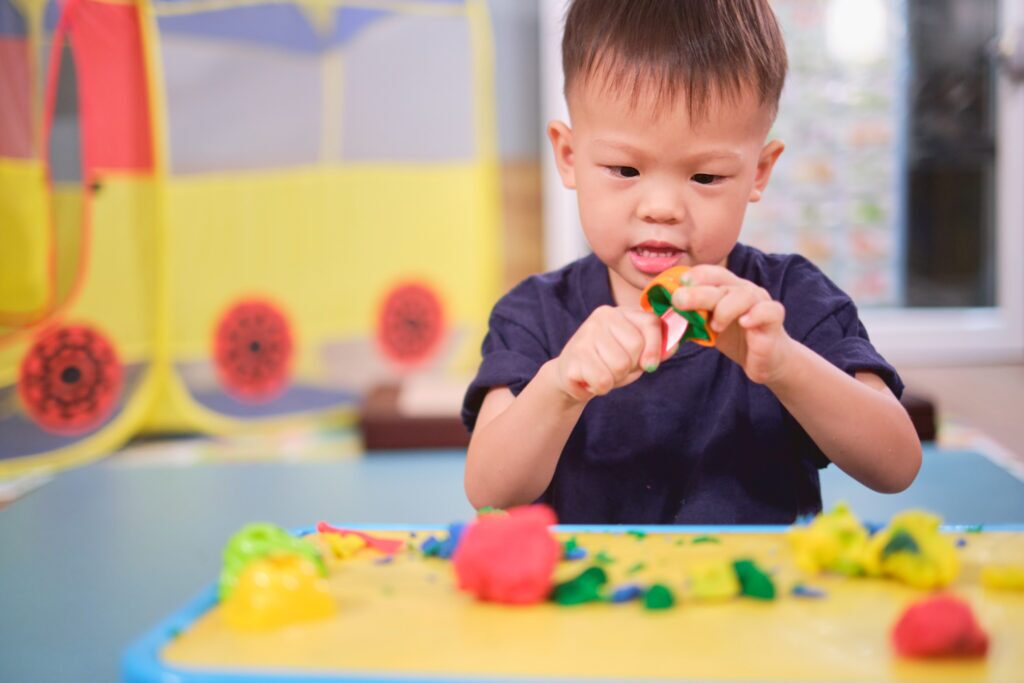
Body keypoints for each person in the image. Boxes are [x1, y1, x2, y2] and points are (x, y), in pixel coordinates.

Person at [461, 0, 922, 524]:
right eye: (624, 169)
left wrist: (785, 365)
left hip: (757, 600)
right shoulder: (534, 314)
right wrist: (560, 385)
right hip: (591, 603)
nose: (661, 209)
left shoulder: (790, 300)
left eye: (705, 178)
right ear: (569, 157)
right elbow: (489, 491)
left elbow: (897, 466)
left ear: (759, 172)